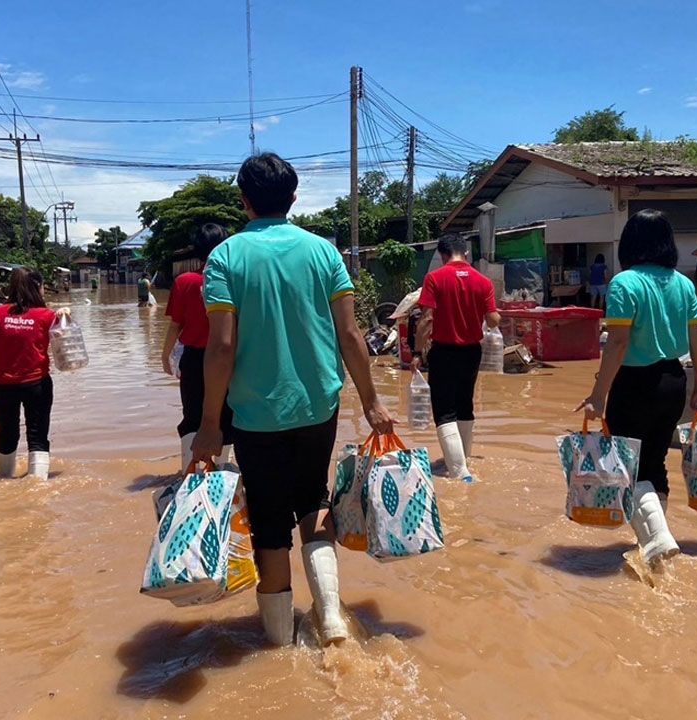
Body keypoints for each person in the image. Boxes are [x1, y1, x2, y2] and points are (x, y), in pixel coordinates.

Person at [191, 152, 394, 648]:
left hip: (256, 415)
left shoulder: (225, 258)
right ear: (294, 199)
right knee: (312, 503)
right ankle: (330, 620)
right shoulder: (324, 253)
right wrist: (372, 402)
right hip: (318, 407)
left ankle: (280, 642)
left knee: (268, 520)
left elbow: (220, 347)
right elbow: (350, 336)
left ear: (244, 201)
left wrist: (210, 424)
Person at [576, 210, 697, 567]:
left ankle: (657, 540)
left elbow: (618, 343)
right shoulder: (683, 284)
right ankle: (655, 548)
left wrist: (598, 396)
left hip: (634, 384)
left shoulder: (625, 283)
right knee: (654, 462)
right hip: (673, 382)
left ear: (630, 243)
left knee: (626, 467)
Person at [0, 268, 68, 481]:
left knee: (7, 436)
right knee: (38, 437)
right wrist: (65, 313)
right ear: (37, 288)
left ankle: (4, 481)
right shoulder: (47, 316)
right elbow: (67, 344)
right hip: (37, 385)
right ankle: (37, 485)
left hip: (4, 387)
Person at [413, 234, 500, 483]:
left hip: (444, 352)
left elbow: (426, 320)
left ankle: (460, 472)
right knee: (465, 404)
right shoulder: (483, 282)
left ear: (442, 256)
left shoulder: (435, 278)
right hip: (472, 353)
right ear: (466, 254)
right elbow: (493, 319)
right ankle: (463, 460)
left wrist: (418, 353)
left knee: (444, 411)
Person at [161, 224, 234, 470]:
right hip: (229, 359)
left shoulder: (184, 282)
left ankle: (188, 475)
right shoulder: (234, 281)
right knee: (227, 416)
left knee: (192, 417)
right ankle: (223, 477)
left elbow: (175, 326)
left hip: (193, 360)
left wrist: (164, 355)